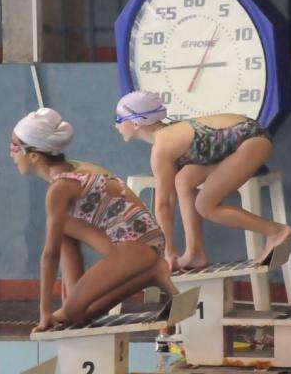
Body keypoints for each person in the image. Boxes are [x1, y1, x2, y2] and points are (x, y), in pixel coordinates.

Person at [10, 107, 178, 333]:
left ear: (33, 155)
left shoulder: (60, 188)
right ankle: (77, 297)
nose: (10, 153)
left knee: (72, 313)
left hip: (135, 244)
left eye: (14, 147)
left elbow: (50, 255)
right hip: (139, 238)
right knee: (78, 314)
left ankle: (152, 272)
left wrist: (44, 312)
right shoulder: (75, 169)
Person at [114, 91, 291, 271]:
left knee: (206, 206)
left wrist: (167, 253)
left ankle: (276, 231)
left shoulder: (162, 147)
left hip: (252, 141)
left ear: (136, 122)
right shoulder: (169, 134)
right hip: (246, 135)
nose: (116, 125)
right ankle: (195, 253)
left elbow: (164, 204)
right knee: (184, 178)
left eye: (119, 119)